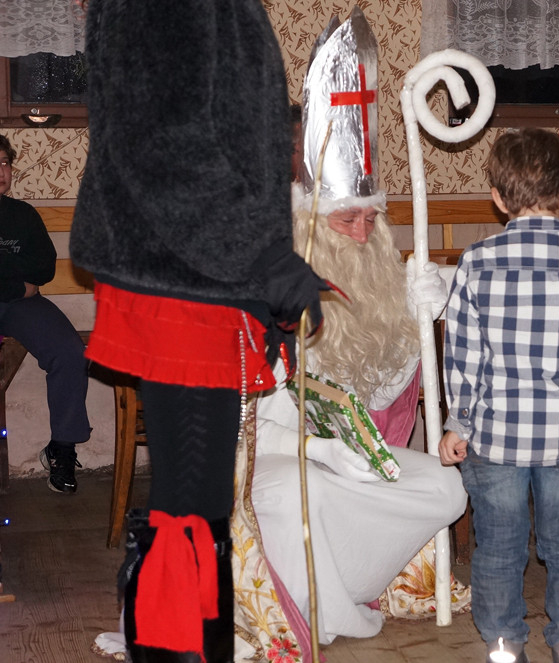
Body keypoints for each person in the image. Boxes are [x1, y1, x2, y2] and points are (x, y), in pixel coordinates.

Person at [70, 2, 328, 661]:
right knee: (188, 506)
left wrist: (258, 284)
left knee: (202, 506)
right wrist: (264, 260)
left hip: (208, 272)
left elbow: (230, 141)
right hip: (180, 275)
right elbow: (163, 145)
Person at [245, 8, 468, 645]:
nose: (363, 233)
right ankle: (320, 605)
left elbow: (388, 381)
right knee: (302, 497)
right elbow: (251, 421)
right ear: (311, 224)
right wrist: (322, 449)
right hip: (278, 460)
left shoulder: (379, 273)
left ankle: (346, 583)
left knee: (445, 488)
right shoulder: (269, 283)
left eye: (371, 219)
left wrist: (427, 308)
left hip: (358, 458)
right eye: (347, 221)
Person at [439, 128, 559, 663]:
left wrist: (459, 423)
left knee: (498, 547)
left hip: (495, 438)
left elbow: (463, 357)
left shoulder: (476, 262)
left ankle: (503, 644)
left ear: (498, 198)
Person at [0, 134, 90, 494]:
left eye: (4, 163)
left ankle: (62, 448)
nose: (1, 171)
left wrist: (17, 284)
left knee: (70, 351)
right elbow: (26, 276)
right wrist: (18, 281)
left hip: (22, 305)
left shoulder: (23, 215)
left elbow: (44, 268)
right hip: (20, 294)